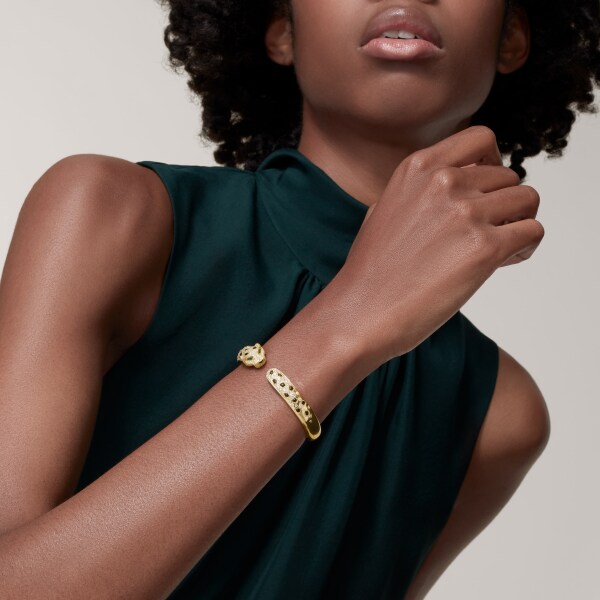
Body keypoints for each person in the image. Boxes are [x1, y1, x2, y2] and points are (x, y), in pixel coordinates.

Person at [0, 0, 598, 598]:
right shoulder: (111, 217)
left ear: (511, 37)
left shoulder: (498, 418)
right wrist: (350, 319)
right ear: (281, 30)